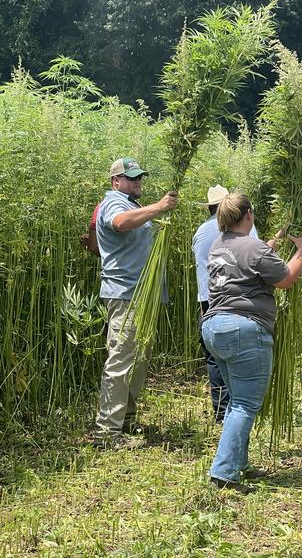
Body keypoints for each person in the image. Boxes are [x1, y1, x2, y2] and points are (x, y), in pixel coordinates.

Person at [201, 193, 302, 493]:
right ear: (248, 214)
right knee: (246, 404)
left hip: (214, 328)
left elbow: (254, 258)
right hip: (244, 330)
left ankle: (238, 462)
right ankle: (223, 472)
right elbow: (285, 278)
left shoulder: (219, 246)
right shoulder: (253, 247)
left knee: (237, 401)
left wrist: (277, 237)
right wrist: (301, 250)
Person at [92, 157, 177, 449]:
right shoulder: (114, 203)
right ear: (116, 181)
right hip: (125, 294)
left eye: (140, 177)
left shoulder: (133, 205)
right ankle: (107, 433)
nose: (138, 181)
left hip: (141, 296)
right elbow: (118, 223)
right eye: (131, 178)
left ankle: (126, 420)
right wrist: (159, 208)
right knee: (120, 360)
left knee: (137, 362)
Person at [192, 184, 258, 422]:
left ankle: (221, 411)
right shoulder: (245, 230)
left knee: (214, 358)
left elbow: (202, 271)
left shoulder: (200, 232)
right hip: (238, 300)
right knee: (242, 355)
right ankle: (241, 408)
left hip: (208, 301)